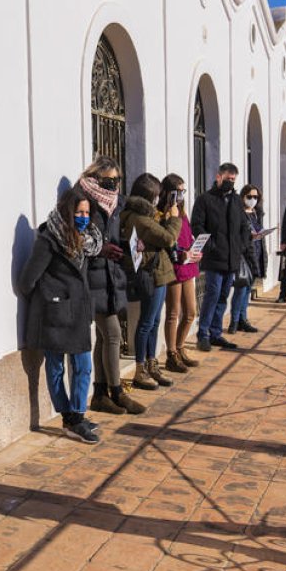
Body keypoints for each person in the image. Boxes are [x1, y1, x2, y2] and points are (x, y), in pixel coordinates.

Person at [18, 186, 104, 443]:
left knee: (83, 366)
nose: (84, 217)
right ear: (68, 212)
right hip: (55, 315)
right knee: (56, 367)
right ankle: (70, 417)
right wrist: (50, 297)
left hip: (77, 313)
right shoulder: (49, 240)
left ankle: (76, 415)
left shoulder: (85, 239)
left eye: (87, 213)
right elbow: (27, 281)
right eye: (79, 212)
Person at [76, 157, 146, 415]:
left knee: (104, 338)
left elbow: (114, 236)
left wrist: (130, 246)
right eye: (110, 179)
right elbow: (76, 236)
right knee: (114, 334)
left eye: (118, 179)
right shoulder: (82, 199)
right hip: (91, 276)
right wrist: (99, 249)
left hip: (110, 276)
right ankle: (117, 392)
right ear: (96, 177)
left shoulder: (115, 202)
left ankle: (100, 394)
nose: (115, 183)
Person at [120, 173, 182, 389]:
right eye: (157, 195)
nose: (159, 199)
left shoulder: (146, 215)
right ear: (148, 196)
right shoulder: (139, 219)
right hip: (152, 274)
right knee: (146, 323)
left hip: (158, 273)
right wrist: (174, 218)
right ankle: (140, 369)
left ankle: (151, 363)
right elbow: (168, 238)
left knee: (154, 322)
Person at [190, 163, 248, 351]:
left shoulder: (237, 200)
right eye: (228, 178)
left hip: (232, 259)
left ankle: (215, 333)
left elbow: (244, 226)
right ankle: (203, 334)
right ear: (218, 177)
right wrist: (211, 246)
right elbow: (197, 225)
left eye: (233, 179)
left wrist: (241, 246)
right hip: (214, 258)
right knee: (212, 295)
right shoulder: (205, 199)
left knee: (223, 296)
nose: (230, 182)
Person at [160, 174, 203, 372]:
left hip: (188, 265)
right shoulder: (164, 214)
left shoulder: (183, 213)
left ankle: (180, 347)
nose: (180, 195)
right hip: (173, 267)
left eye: (183, 191)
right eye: (177, 191)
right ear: (168, 192)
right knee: (173, 313)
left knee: (191, 312)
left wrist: (195, 251)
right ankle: (171, 354)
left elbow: (187, 236)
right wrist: (179, 253)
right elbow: (167, 240)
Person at [228, 184, 266, 334]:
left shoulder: (257, 213)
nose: (253, 199)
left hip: (256, 254)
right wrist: (248, 236)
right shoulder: (238, 213)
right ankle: (234, 321)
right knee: (241, 288)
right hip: (243, 256)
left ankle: (243, 319)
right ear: (243, 197)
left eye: (255, 197)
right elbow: (235, 235)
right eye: (249, 196)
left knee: (248, 289)